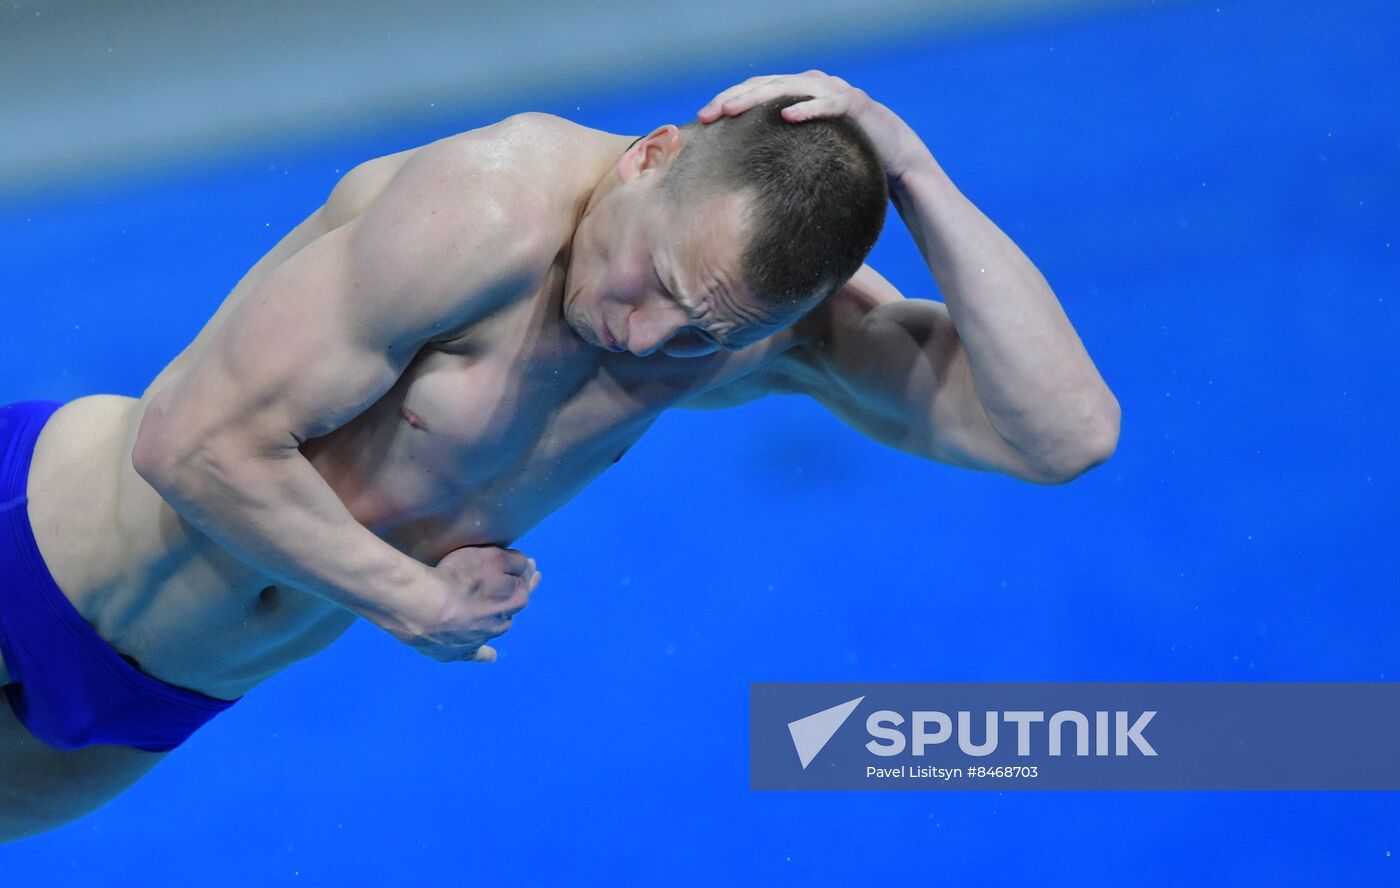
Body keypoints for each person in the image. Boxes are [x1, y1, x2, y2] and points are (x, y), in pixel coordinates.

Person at [0, 71, 1119, 842]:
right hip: (26, 544)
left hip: (150, 703)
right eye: (657, 285)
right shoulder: (482, 211)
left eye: (703, 331)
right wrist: (410, 598)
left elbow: (1060, 434)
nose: (642, 337)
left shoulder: (743, 329)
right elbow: (189, 445)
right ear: (648, 157)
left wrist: (909, 166)